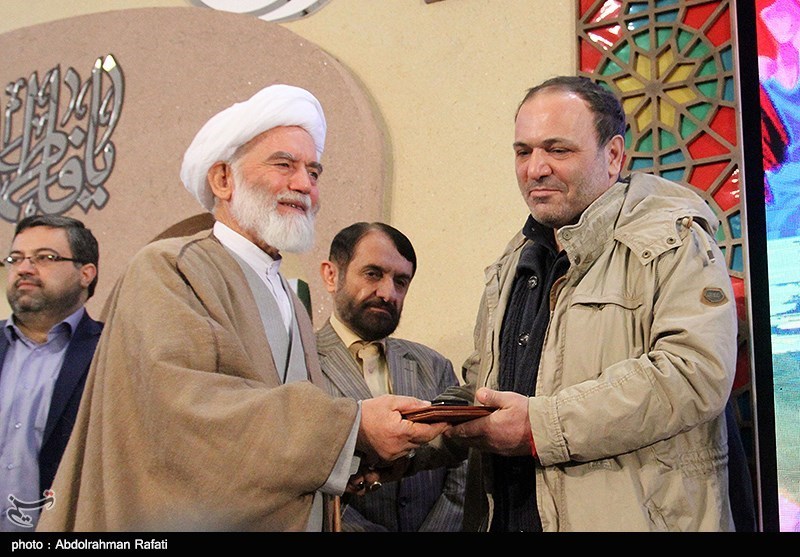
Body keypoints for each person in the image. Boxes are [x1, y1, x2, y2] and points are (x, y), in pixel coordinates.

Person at [35, 84, 448, 532]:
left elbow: (279, 444)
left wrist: (352, 459)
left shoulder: (289, 294)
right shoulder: (170, 267)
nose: (304, 185)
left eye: (313, 171)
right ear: (223, 180)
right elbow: (184, 415)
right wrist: (352, 427)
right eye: (284, 165)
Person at [441, 75, 747, 531]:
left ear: (614, 156)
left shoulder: (674, 240)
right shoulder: (513, 261)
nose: (535, 169)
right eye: (523, 152)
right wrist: (425, 431)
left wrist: (539, 427)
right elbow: (491, 381)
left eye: (558, 150)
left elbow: (694, 372)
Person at [316, 221, 467, 531]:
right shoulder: (301, 363)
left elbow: (462, 461)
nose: (388, 293)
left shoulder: (434, 365)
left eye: (401, 281)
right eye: (373, 274)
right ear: (331, 275)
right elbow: (301, 475)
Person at [0, 215, 102, 532]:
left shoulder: (110, 351)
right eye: (15, 258)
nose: (24, 268)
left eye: (45, 257)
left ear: (86, 273)